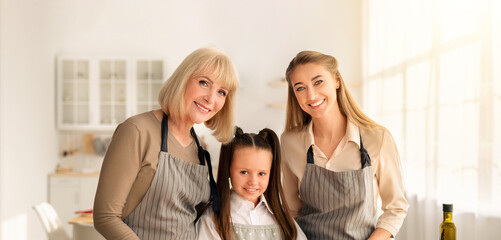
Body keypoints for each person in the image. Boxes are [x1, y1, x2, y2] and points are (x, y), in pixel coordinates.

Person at [93, 47, 239, 240]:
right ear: (183, 79)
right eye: (204, 83)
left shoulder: (201, 151)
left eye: (221, 92)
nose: (211, 99)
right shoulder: (137, 131)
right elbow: (106, 217)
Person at [280, 50, 409, 240]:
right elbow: (292, 211)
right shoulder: (290, 142)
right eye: (300, 88)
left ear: (336, 81)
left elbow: (395, 208)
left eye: (318, 82)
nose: (311, 95)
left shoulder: (377, 138)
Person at [197, 127, 307, 240]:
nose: (253, 181)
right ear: (228, 169)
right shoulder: (213, 219)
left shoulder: (283, 219)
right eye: (244, 172)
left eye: (262, 173)